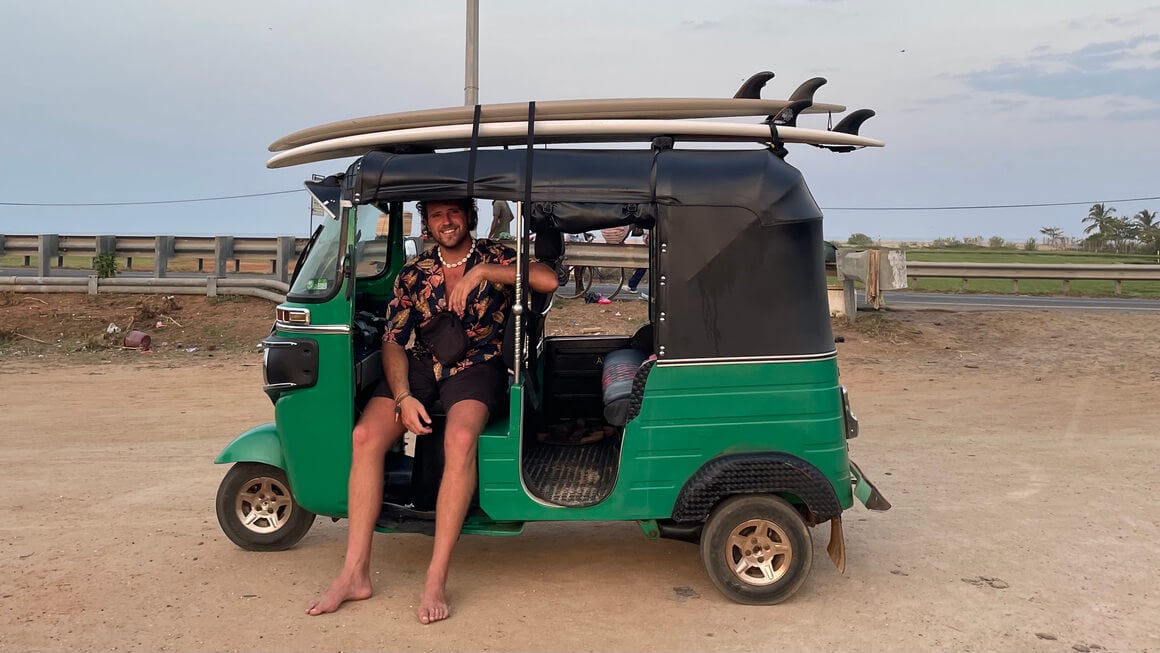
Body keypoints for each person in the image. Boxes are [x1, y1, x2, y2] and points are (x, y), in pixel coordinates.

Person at [307, 198, 558, 624]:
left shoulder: (497, 256)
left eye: (455, 212)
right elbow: (392, 341)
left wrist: (482, 272)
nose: (447, 221)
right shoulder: (413, 274)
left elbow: (547, 280)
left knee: (459, 439)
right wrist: (403, 397)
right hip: (421, 367)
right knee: (365, 437)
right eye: (438, 214)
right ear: (426, 222)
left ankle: (436, 578)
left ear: (470, 217)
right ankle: (354, 574)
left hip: (478, 368)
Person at [625, 228, 650, 299]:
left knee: (643, 266)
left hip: (651, 246)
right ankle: (632, 285)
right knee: (643, 266)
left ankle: (632, 285)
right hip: (649, 246)